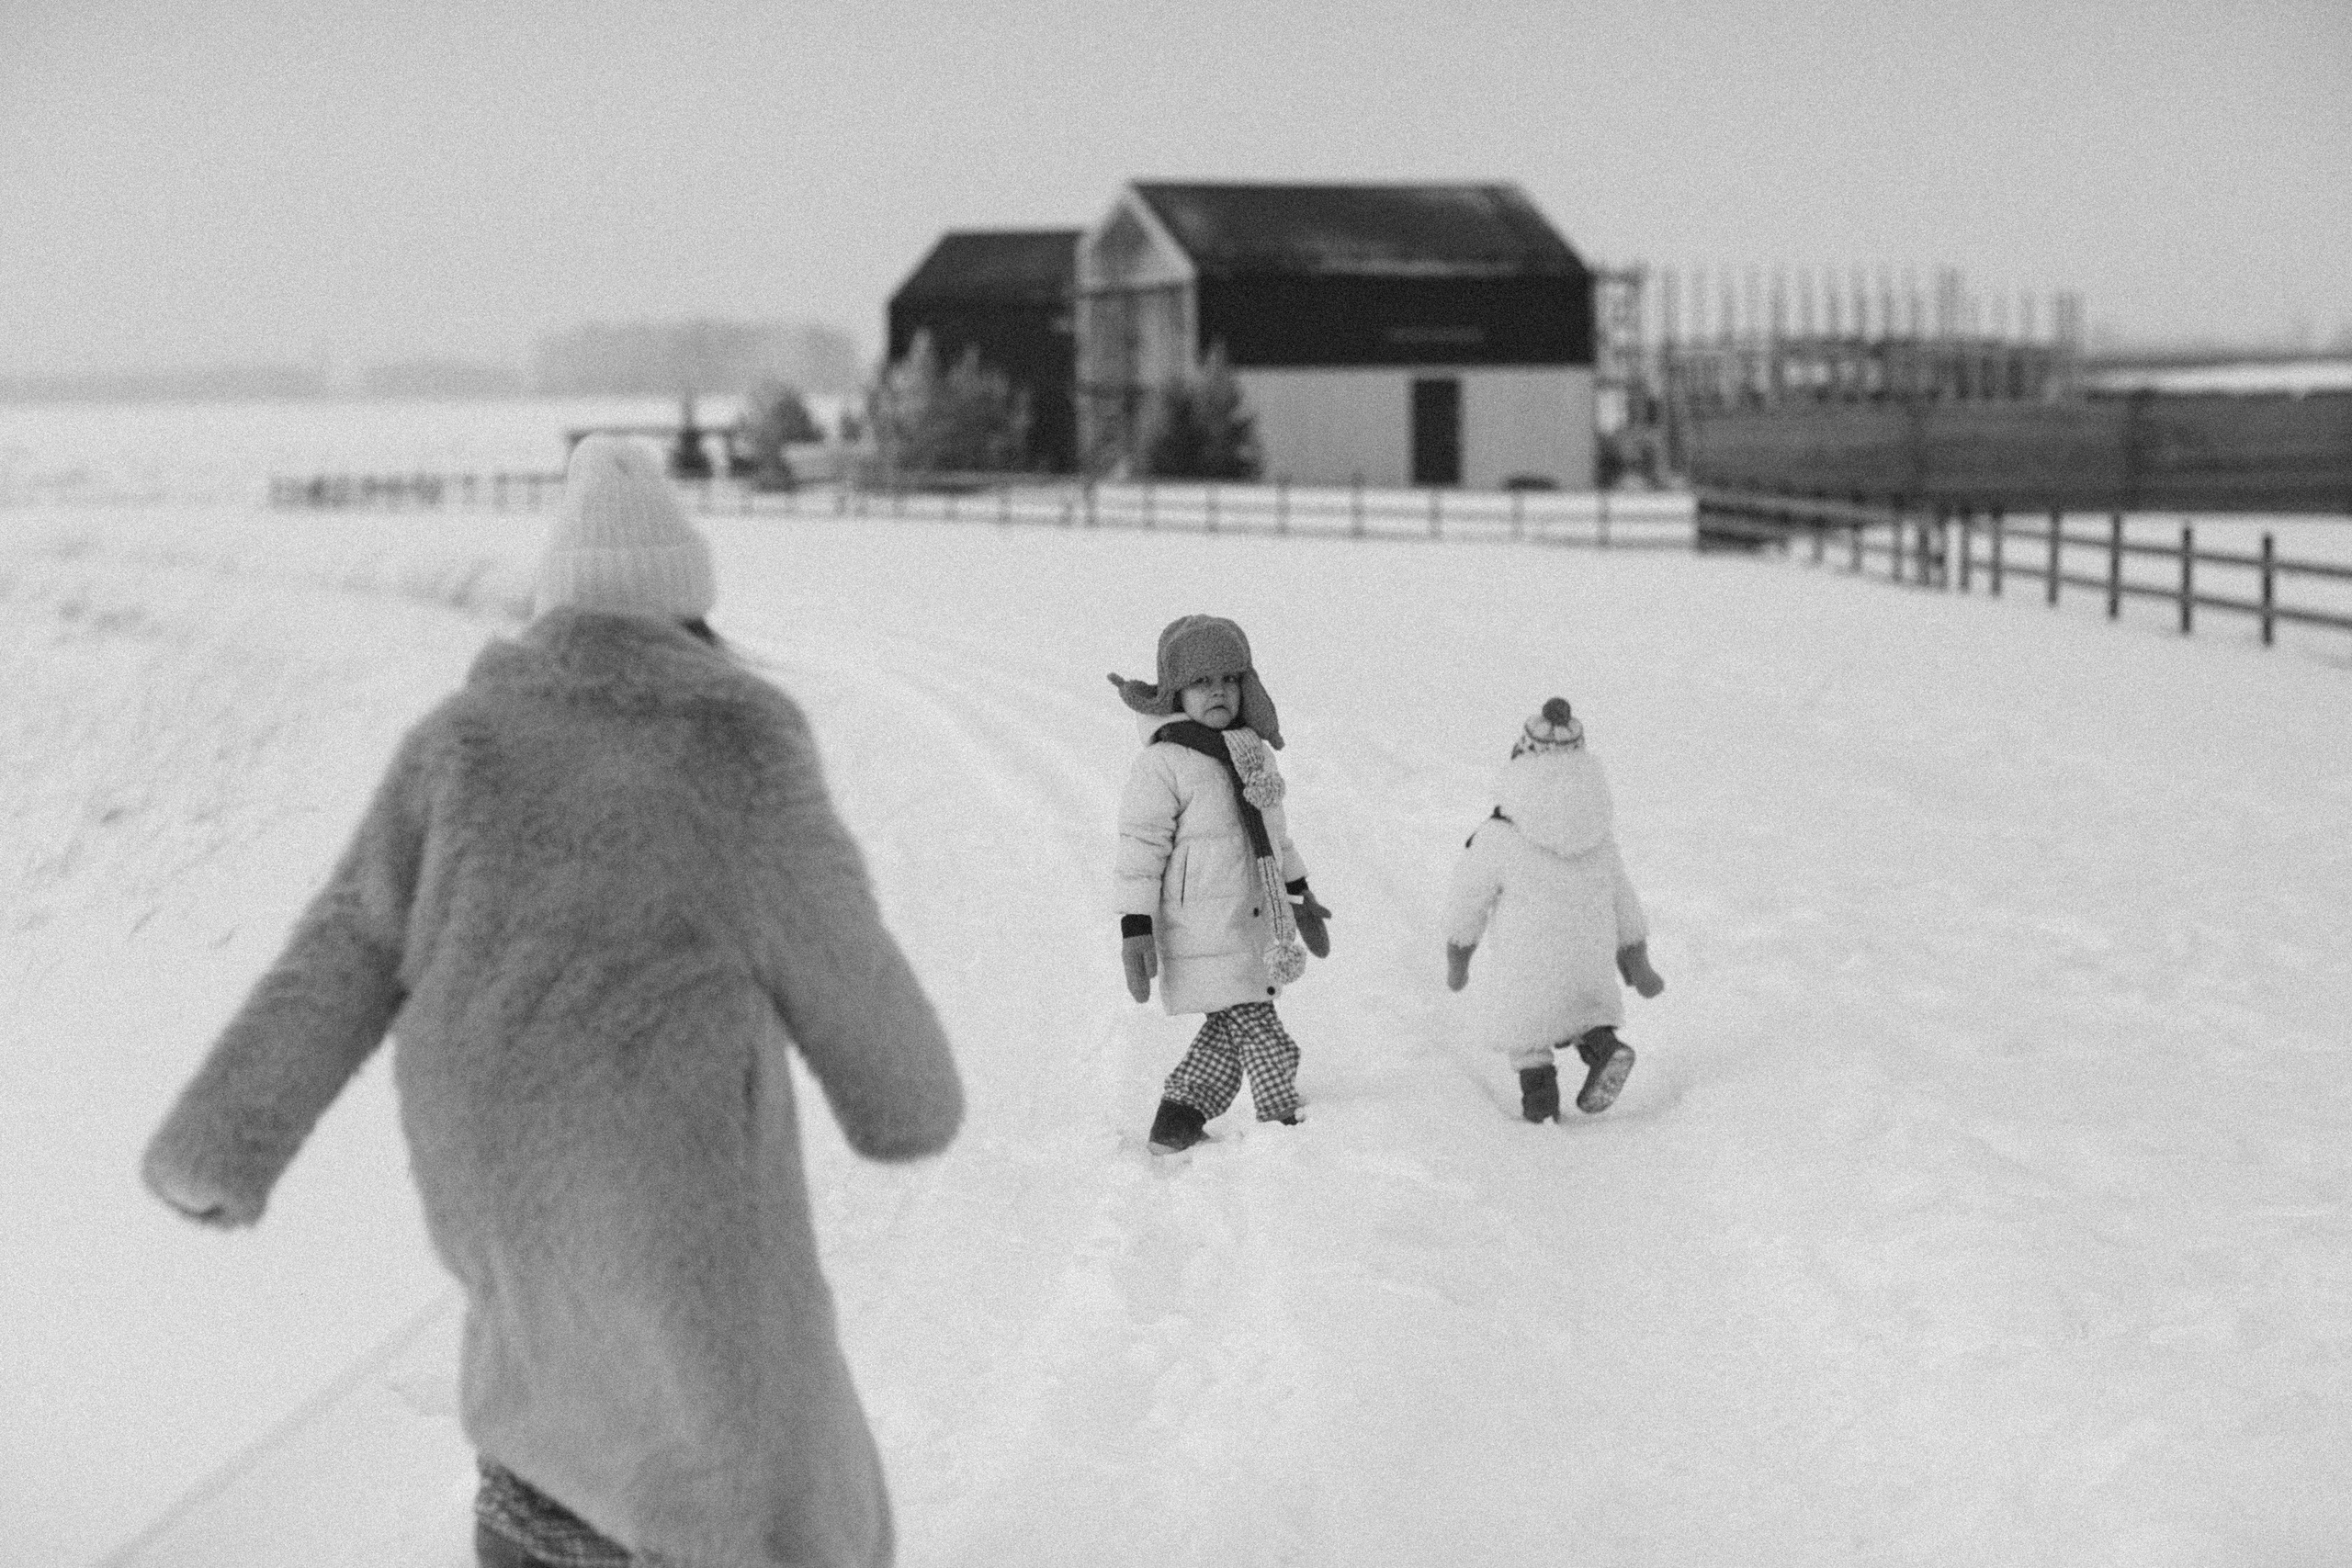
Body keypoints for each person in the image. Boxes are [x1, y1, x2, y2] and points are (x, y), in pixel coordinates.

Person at [140, 434, 963, 1568]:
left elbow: (343, 947)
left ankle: (536, 1519)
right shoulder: (737, 740)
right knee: (724, 1403)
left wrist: (219, 1142)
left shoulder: (459, 744)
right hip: (662, 1150)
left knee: (547, 1340)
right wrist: (904, 1101)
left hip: (490, 1144)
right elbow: (838, 948)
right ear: (690, 608)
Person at [1109, 615, 1331, 1155]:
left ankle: (1177, 1120)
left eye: (1229, 680)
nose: (1218, 692)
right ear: (1175, 693)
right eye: (1201, 682)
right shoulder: (1164, 763)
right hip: (1201, 924)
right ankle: (1286, 1125)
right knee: (1260, 1029)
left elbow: (1276, 834)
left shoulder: (1254, 754)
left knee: (1230, 1031)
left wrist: (1300, 893)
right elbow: (1140, 849)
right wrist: (1135, 927)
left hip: (1254, 920)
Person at [1443, 697, 1665, 1122]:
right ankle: (1603, 1048)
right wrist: (1638, 964)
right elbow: (1623, 899)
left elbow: (1466, 902)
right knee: (1587, 1014)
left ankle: (1541, 1104)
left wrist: (1458, 961)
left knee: (1528, 1037)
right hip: (1588, 956)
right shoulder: (1599, 838)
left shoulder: (1499, 835)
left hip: (1528, 964)